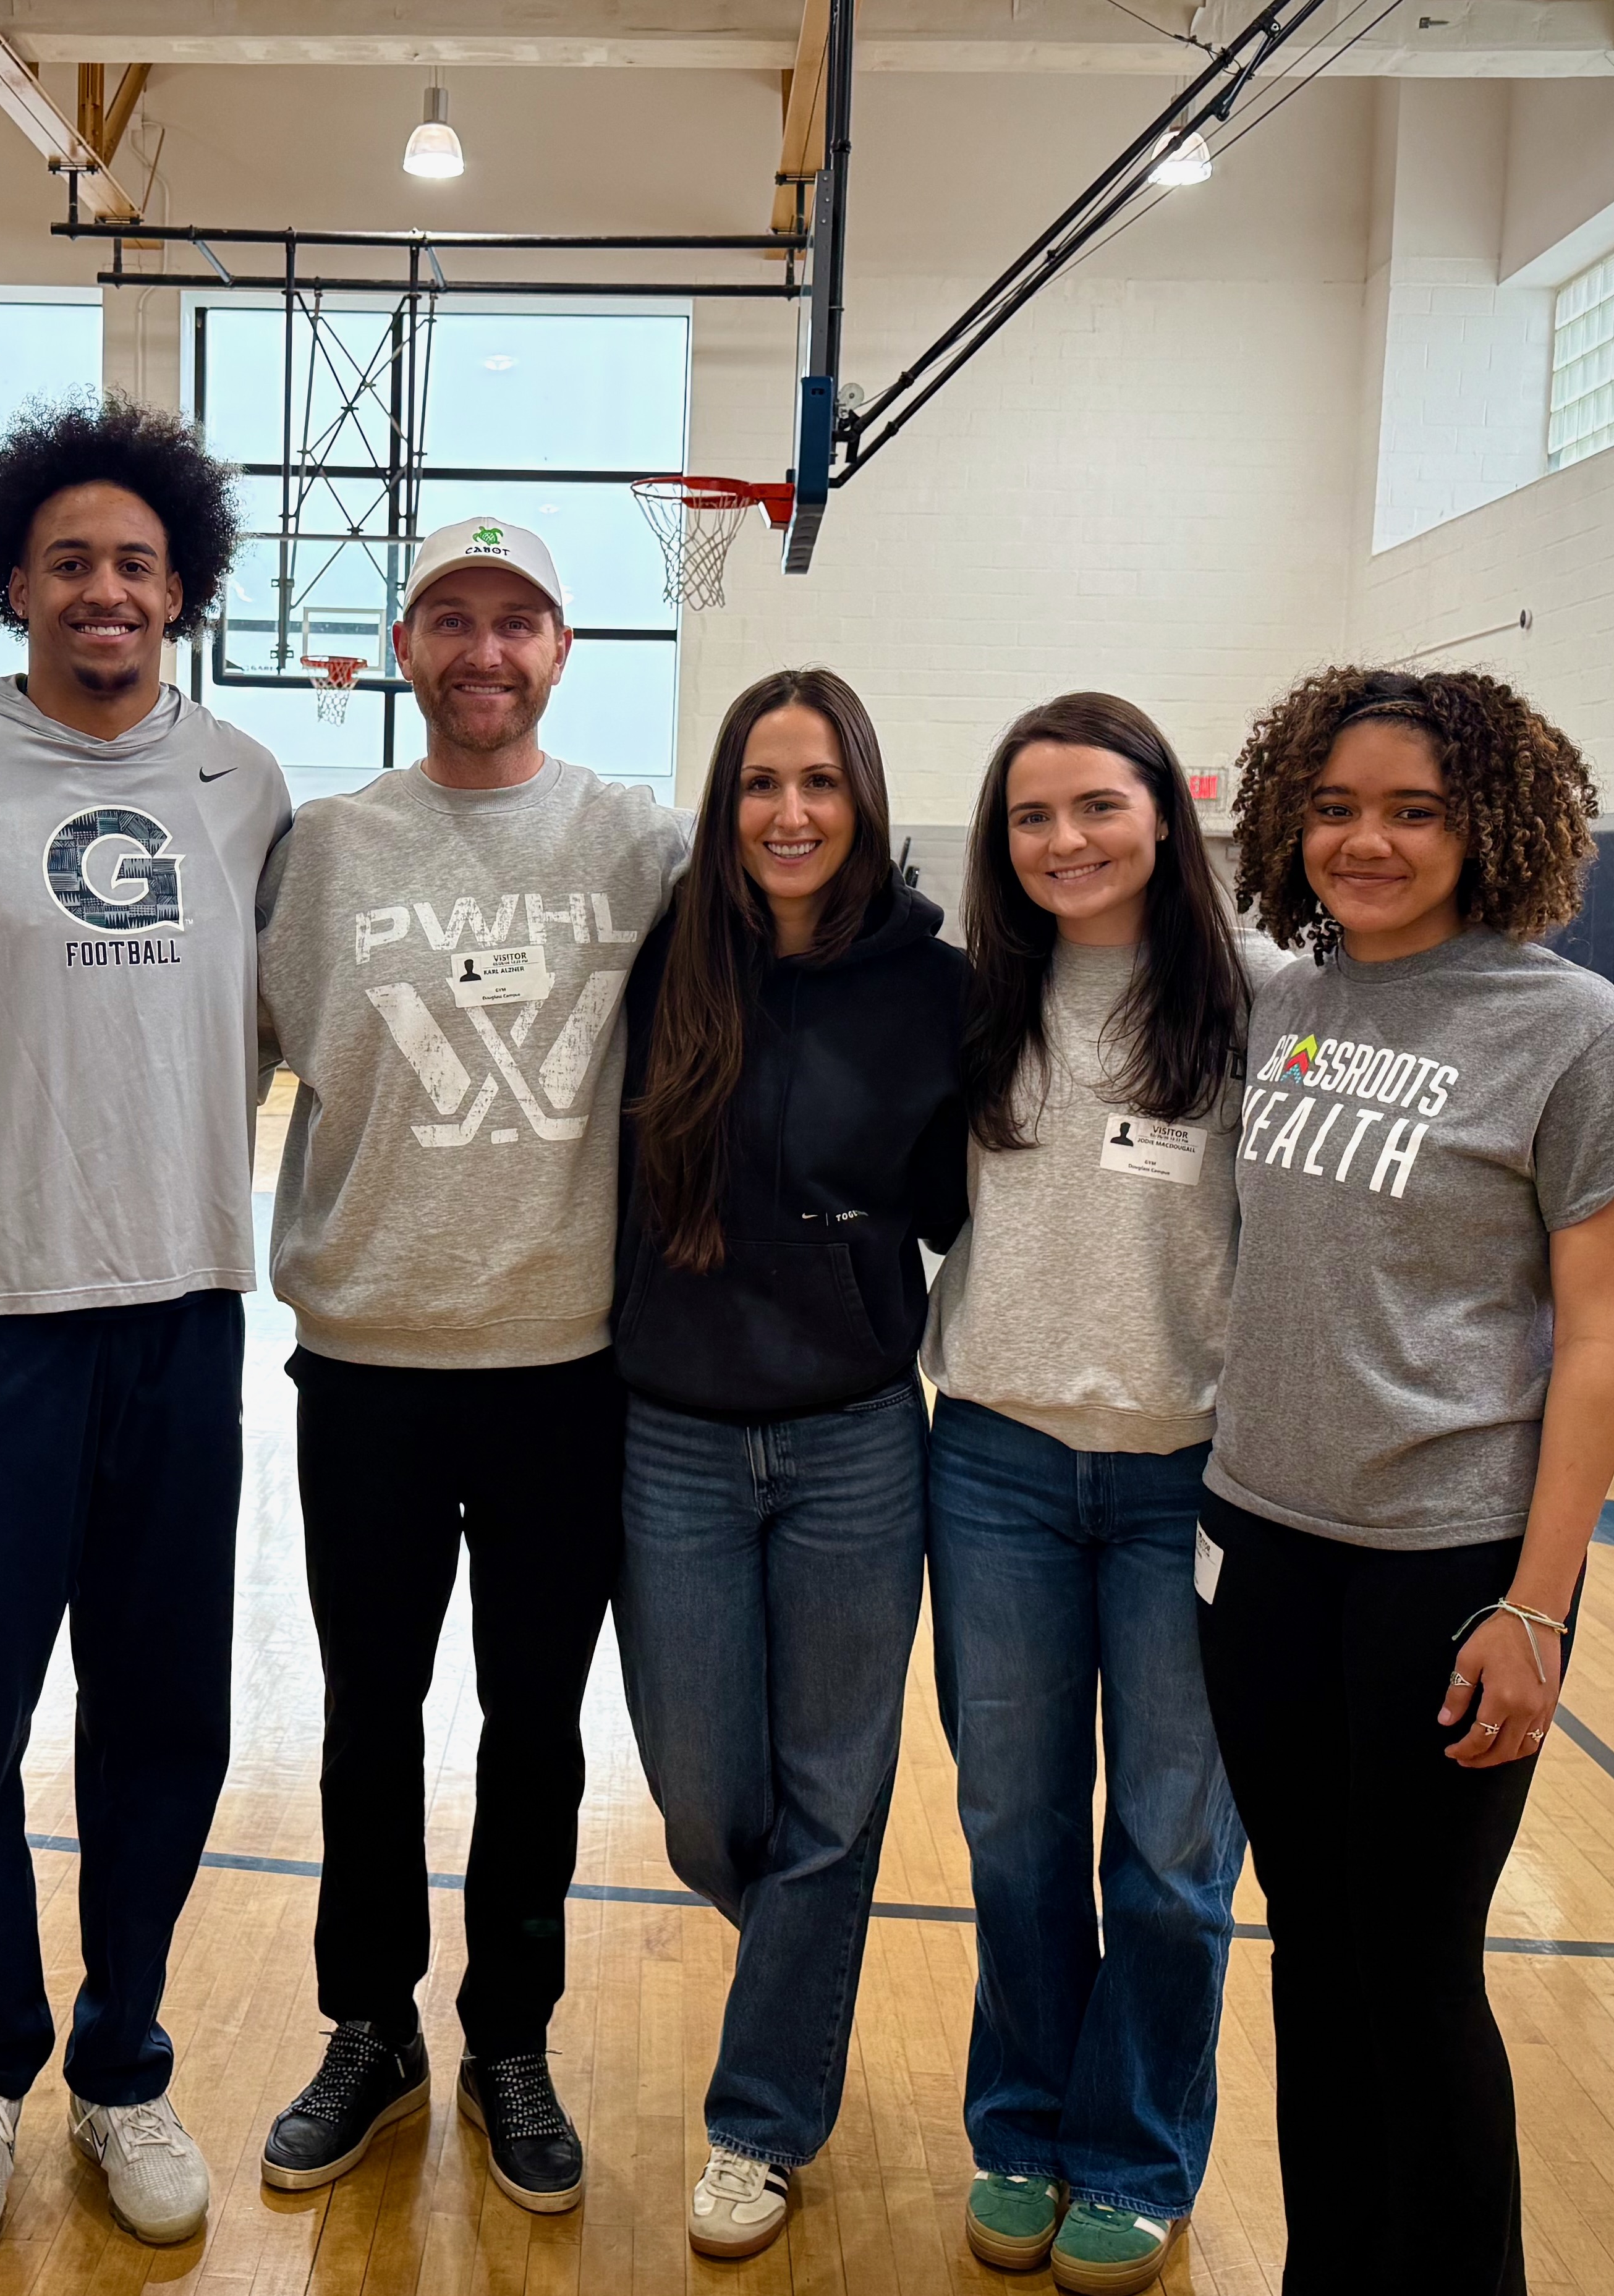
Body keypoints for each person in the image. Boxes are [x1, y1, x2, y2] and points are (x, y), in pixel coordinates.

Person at [0, 396, 291, 2261]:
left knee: (165, 1716)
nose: (104, 588)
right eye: (67, 561)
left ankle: (120, 2059)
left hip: (184, 1312)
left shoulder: (251, 783)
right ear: (9, 581)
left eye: (136, 561)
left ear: (180, 585)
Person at [1199, 667, 1614, 2295]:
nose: (1367, 840)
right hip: (1258, 1544)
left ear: (1490, 823)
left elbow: (1601, 1345)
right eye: (1333, 807)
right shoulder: (1275, 996)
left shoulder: (1574, 1032)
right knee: (1314, 1953)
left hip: (1449, 1562)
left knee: (1412, 1962)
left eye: (1413, 808)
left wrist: (1533, 1606)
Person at [250, 515, 688, 2214]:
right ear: (407, 646)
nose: (485, 649)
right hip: (362, 1363)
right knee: (368, 1720)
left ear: (562, 651)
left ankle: (511, 2031)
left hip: (566, 1373)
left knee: (534, 1732)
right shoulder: (326, 847)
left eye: (519, 622)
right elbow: (221, 1054)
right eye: (452, 618)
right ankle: (371, 2026)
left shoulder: (641, 842)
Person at [611, 667, 970, 2260]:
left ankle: (758, 2123)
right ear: (724, 802)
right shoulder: (664, 959)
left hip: (853, 1438)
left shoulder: (937, 987)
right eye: (761, 781)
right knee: (707, 1802)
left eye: (820, 780)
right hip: (672, 1432)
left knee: (834, 1800)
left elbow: (974, 1200)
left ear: (865, 797)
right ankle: (799, 1961)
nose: (790, 812)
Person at [920, 694, 1273, 2295]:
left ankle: (1133, 2151)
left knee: (1173, 1852)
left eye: (1095, 805)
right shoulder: (973, 1003)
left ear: (1163, 813)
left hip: (1189, 1481)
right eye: (1030, 815)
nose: (1064, 839)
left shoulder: (1264, 1005)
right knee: (1013, 1832)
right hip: (990, 1459)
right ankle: (1022, 2127)